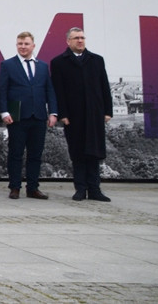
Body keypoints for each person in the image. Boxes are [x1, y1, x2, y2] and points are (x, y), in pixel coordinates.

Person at [51, 27, 113, 202]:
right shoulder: (59, 62)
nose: (80, 40)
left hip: (94, 113)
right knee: (77, 152)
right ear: (68, 41)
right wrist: (63, 114)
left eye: (82, 37)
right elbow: (58, 91)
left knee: (94, 152)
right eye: (76, 38)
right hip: (73, 116)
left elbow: (104, 86)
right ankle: (80, 189)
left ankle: (95, 190)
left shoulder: (96, 60)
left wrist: (108, 111)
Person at [0, 31, 56, 200]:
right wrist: (4, 112)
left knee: (35, 155)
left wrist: (53, 112)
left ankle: (33, 188)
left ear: (33, 46)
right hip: (17, 116)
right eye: (20, 44)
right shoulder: (7, 65)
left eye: (26, 44)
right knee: (15, 153)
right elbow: (2, 90)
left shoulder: (43, 66)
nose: (23, 47)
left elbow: (49, 90)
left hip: (38, 116)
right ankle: (15, 187)